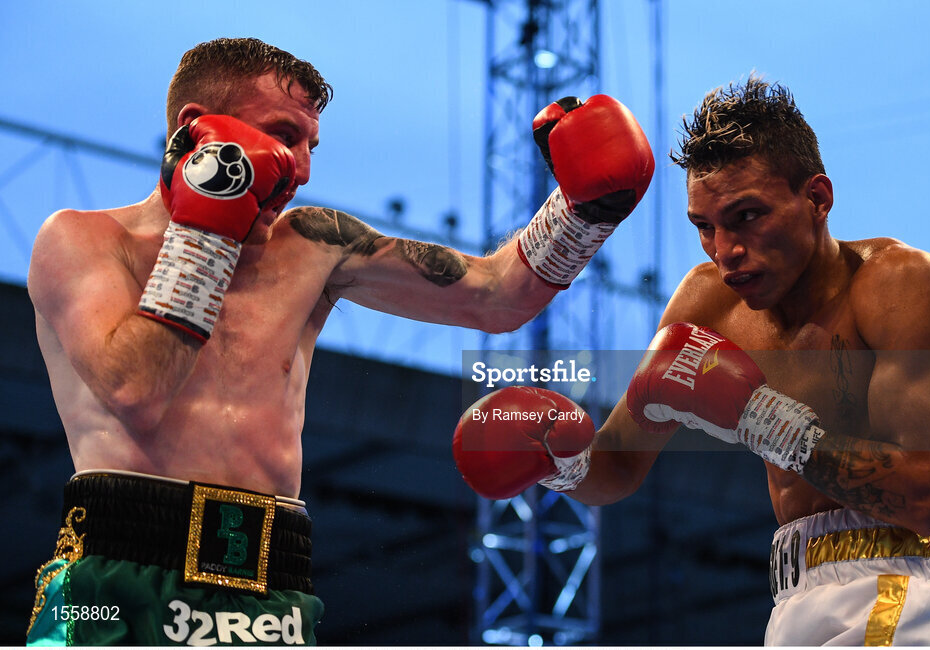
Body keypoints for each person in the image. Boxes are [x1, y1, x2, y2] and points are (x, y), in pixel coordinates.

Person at [25, 37, 654, 645]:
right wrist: (211, 216)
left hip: (270, 584)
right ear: (196, 128)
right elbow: (136, 389)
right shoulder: (84, 241)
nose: (298, 168)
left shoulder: (314, 246)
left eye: (310, 146)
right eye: (281, 135)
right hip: (114, 570)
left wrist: (583, 211)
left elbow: (496, 298)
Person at [453, 75, 930, 646]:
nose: (725, 251)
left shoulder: (896, 284)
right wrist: (557, 458)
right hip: (793, 593)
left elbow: (923, 499)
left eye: (747, 216)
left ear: (818, 199)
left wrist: (756, 416)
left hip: (901, 579)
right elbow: (618, 467)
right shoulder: (705, 303)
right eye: (704, 227)